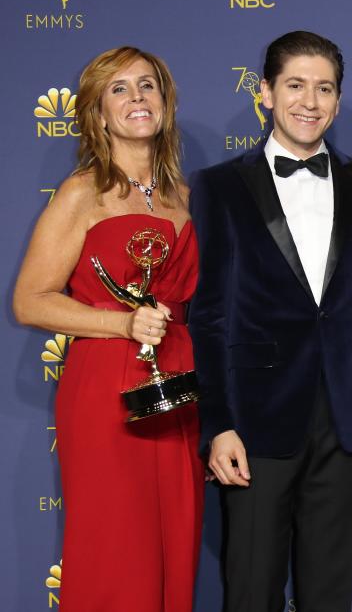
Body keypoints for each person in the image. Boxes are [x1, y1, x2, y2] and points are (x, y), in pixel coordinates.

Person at [189, 31, 352, 612]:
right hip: (256, 418)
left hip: (348, 415)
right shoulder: (220, 185)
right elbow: (207, 315)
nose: (310, 101)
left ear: (338, 99)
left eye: (324, 88)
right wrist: (218, 423)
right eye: (296, 85)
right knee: (251, 587)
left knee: (329, 590)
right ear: (266, 93)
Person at [13, 47, 202, 611]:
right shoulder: (82, 193)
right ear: (97, 114)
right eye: (117, 90)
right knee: (118, 546)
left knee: (178, 539)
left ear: (165, 102)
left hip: (179, 384)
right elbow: (30, 301)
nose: (136, 98)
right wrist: (122, 323)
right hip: (105, 392)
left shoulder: (186, 197)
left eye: (147, 85)